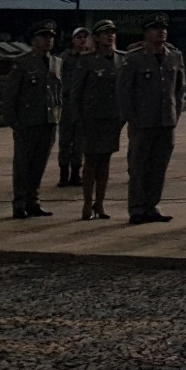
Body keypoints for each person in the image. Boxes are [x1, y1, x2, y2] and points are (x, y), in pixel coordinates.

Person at [117, 14, 186, 224]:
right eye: (156, 28)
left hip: (166, 121)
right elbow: (124, 91)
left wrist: (175, 113)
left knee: (159, 166)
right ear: (146, 33)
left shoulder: (174, 56)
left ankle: (152, 206)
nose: (161, 32)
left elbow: (180, 89)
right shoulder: (134, 57)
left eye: (164, 28)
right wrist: (132, 118)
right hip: (142, 121)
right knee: (139, 166)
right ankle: (137, 208)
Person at [66, 20, 127, 220]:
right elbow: (76, 92)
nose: (110, 36)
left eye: (112, 33)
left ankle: (100, 203)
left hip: (112, 118)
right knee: (91, 162)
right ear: (97, 38)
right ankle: (86, 203)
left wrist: (124, 115)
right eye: (105, 33)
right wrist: (77, 117)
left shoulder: (121, 59)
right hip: (91, 117)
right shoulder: (87, 60)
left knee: (105, 162)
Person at [2, 20, 62, 219]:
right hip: (27, 122)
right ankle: (19, 202)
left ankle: (33, 200)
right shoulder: (23, 62)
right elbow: (11, 95)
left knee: (39, 164)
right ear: (34, 40)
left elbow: (58, 93)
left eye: (51, 37)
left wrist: (58, 116)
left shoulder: (56, 62)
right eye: (44, 37)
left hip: (48, 121)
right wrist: (13, 121)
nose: (48, 41)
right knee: (23, 165)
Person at [56, 26, 93, 188]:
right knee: (65, 140)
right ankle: (64, 174)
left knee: (80, 142)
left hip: (84, 105)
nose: (82, 40)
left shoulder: (91, 58)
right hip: (66, 103)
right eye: (79, 37)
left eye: (85, 37)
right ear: (73, 40)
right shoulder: (64, 58)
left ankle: (76, 174)